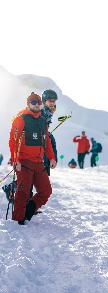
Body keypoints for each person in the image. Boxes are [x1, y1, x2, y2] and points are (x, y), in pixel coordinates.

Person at [8, 92, 57, 224]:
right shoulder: (21, 119)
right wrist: (15, 160)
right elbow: (13, 141)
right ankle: (18, 220)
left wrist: (52, 157)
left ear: (41, 104)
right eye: (33, 102)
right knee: (23, 192)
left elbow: (47, 142)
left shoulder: (42, 120)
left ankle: (28, 212)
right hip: (24, 162)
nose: (36, 105)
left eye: (38, 102)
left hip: (38, 162)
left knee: (46, 191)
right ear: (28, 104)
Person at [41, 89, 58, 176]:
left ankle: (48, 164)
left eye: (54, 101)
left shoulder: (48, 112)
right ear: (44, 101)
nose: (52, 103)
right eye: (50, 101)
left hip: (44, 136)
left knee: (51, 139)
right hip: (36, 139)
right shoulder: (41, 111)